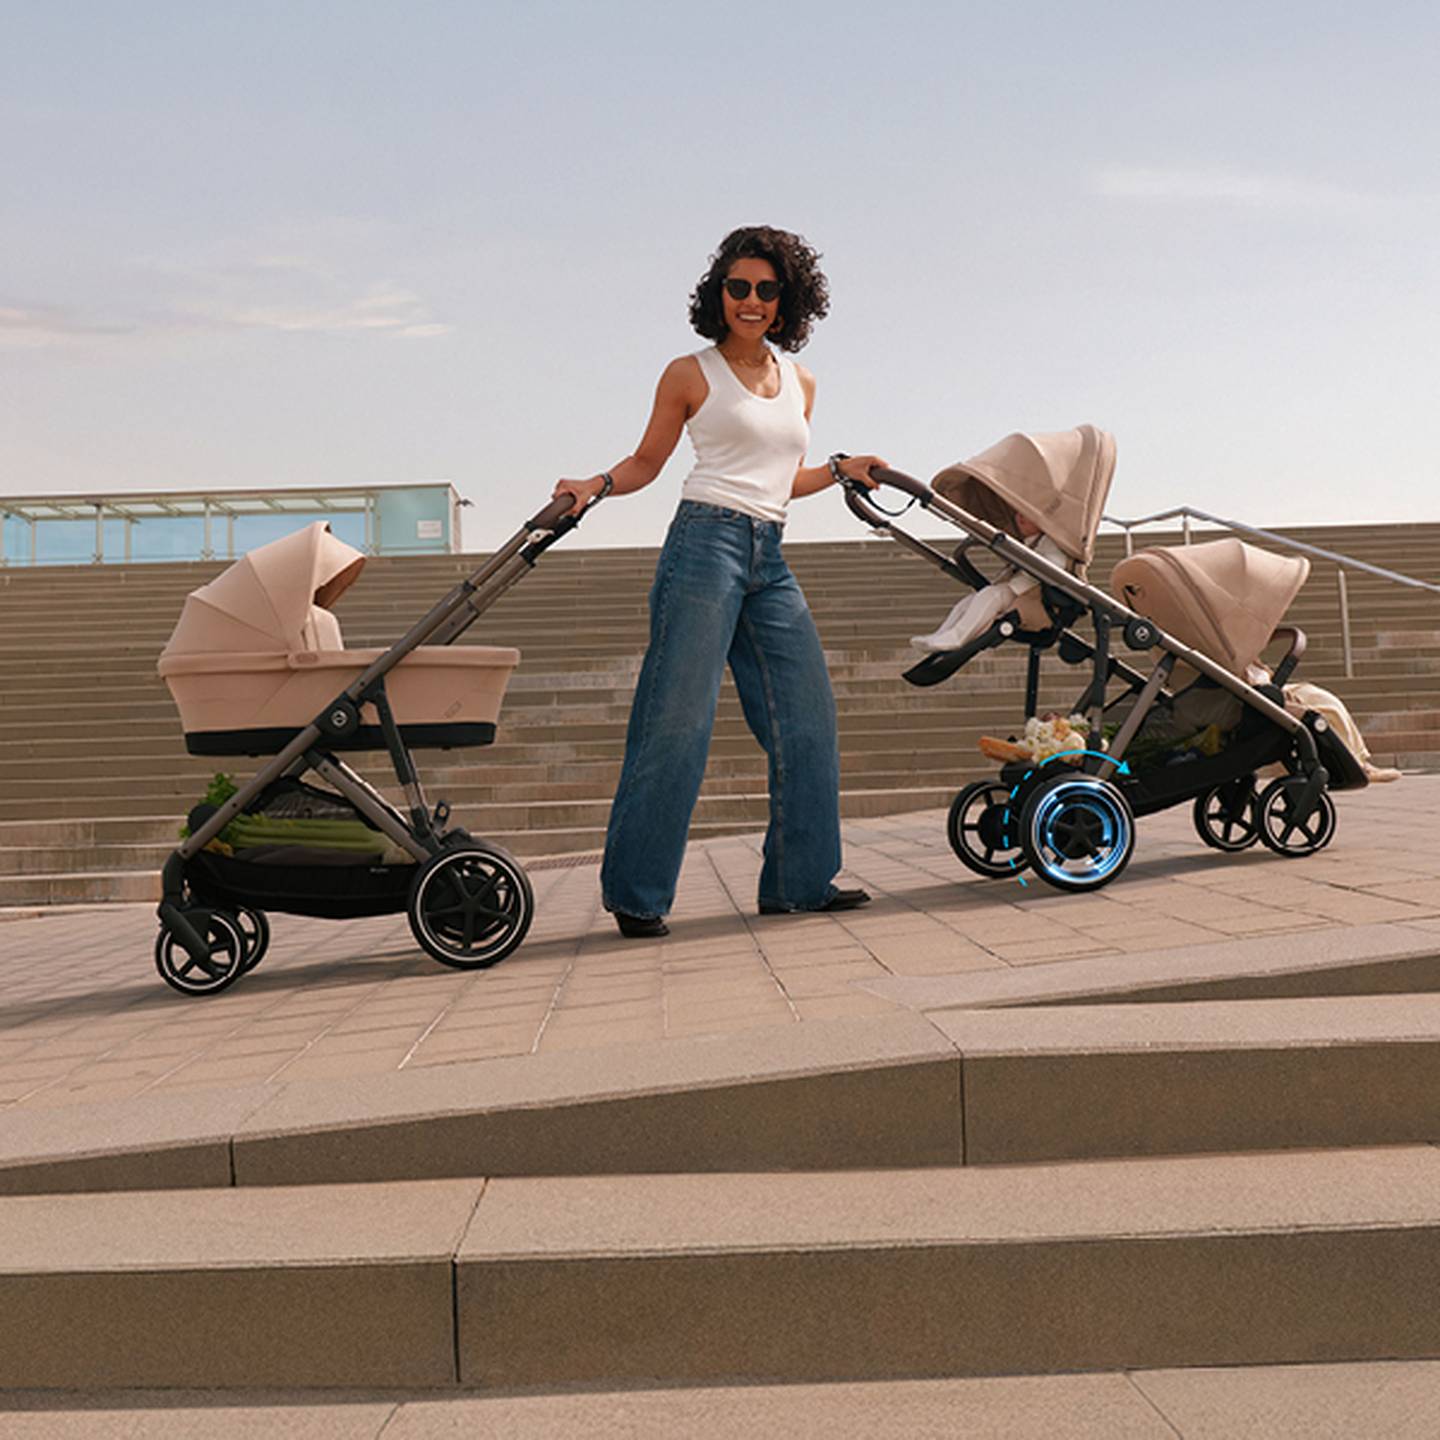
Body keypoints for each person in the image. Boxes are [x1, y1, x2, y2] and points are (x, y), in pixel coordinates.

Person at [553, 225, 887, 938]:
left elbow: (779, 479)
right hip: (704, 546)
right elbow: (647, 462)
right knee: (677, 720)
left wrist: (837, 470)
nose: (751, 300)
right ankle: (637, 895)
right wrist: (594, 485)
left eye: (767, 289)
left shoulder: (801, 381)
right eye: (739, 287)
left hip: (771, 556)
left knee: (808, 718)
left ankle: (800, 883)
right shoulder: (690, 373)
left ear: (787, 300)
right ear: (719, 294)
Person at [910, 509, 1069, 653]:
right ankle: (941, 635)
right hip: (1016, 588)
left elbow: (1056, 564)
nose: (1021, 517)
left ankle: (957, 638)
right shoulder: (1029, 541)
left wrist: (1024, 564)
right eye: (1019, 512)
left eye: (1027, 514)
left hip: (1030, 594)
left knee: (991, 595)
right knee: (968, 602)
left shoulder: (1050, 542)